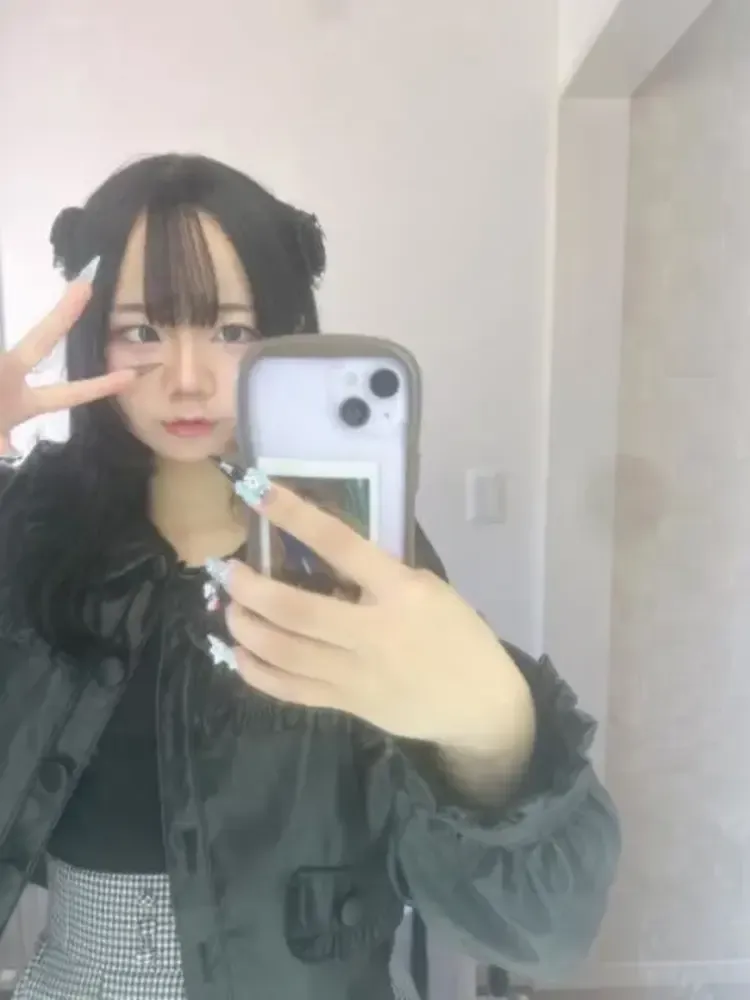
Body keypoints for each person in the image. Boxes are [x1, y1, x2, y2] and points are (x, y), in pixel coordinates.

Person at [0, 153, 620, 1000]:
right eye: (142, 331)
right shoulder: (33, 526)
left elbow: (542, 929)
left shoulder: (357, 554)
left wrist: (496, 740)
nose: (188, 379)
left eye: (232, 330)